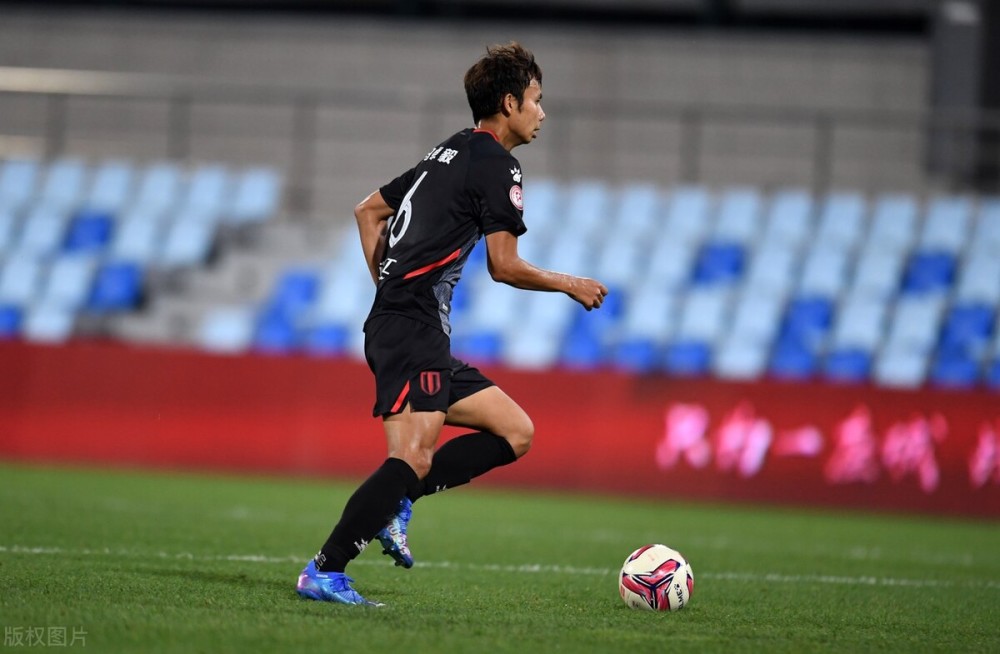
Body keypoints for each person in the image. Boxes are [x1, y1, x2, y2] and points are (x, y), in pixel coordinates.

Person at [296, 41, 609, 606]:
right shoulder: (497, 164)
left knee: (514, 431)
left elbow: (368, 211)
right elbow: (504, 265)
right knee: (411, 458)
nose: (542, 113)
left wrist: (387, 286)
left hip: (410, 327)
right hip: (411, 329)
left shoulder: (449, 150)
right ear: (510, 103)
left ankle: (400, 501)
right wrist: (570, 283)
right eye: (536, 99)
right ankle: (325, 569)